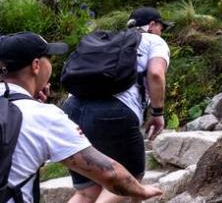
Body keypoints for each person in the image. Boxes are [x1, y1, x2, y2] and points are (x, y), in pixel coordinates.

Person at [0, 32, 162, 203]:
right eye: (50, 58)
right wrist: (141, 190)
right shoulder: (43, 116)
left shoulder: (27, 111)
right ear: (36, 65)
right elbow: (109, 173)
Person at [63, 7, 171, 203]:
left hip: (72, 109)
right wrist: (157, 112)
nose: (162, 32)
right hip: (114, 112)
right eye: (162, 27)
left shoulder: (109, 40)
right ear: (153, 25)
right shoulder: (154, 41)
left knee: (88, 191)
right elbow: (156, 74)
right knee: (130, 181)